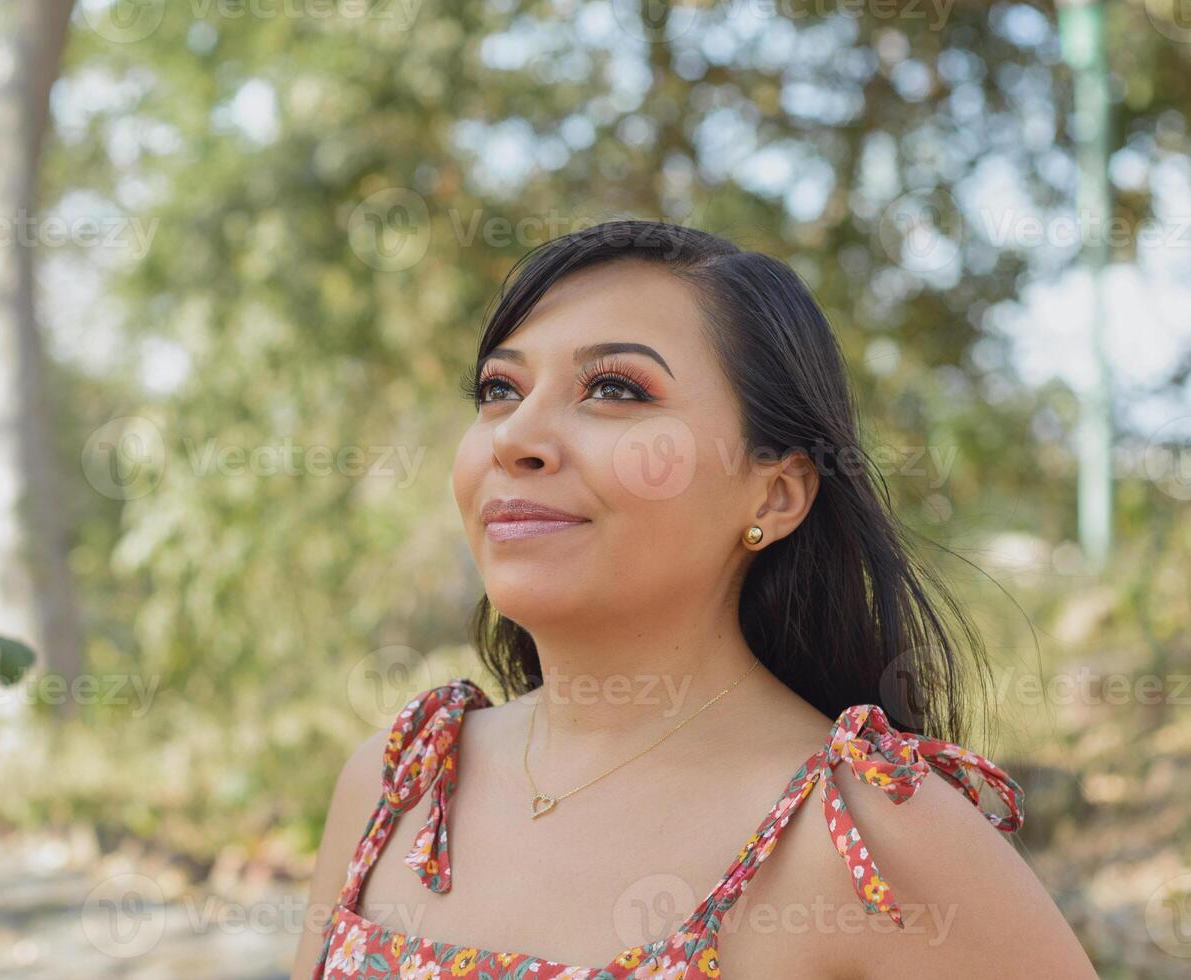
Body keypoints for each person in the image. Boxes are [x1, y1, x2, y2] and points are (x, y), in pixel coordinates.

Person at [292, 222, 1096, 978]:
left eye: (614, 389)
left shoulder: (866, 831)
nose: (513, 437)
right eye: (500, 389)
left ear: (776, 495)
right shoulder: (399, 785)